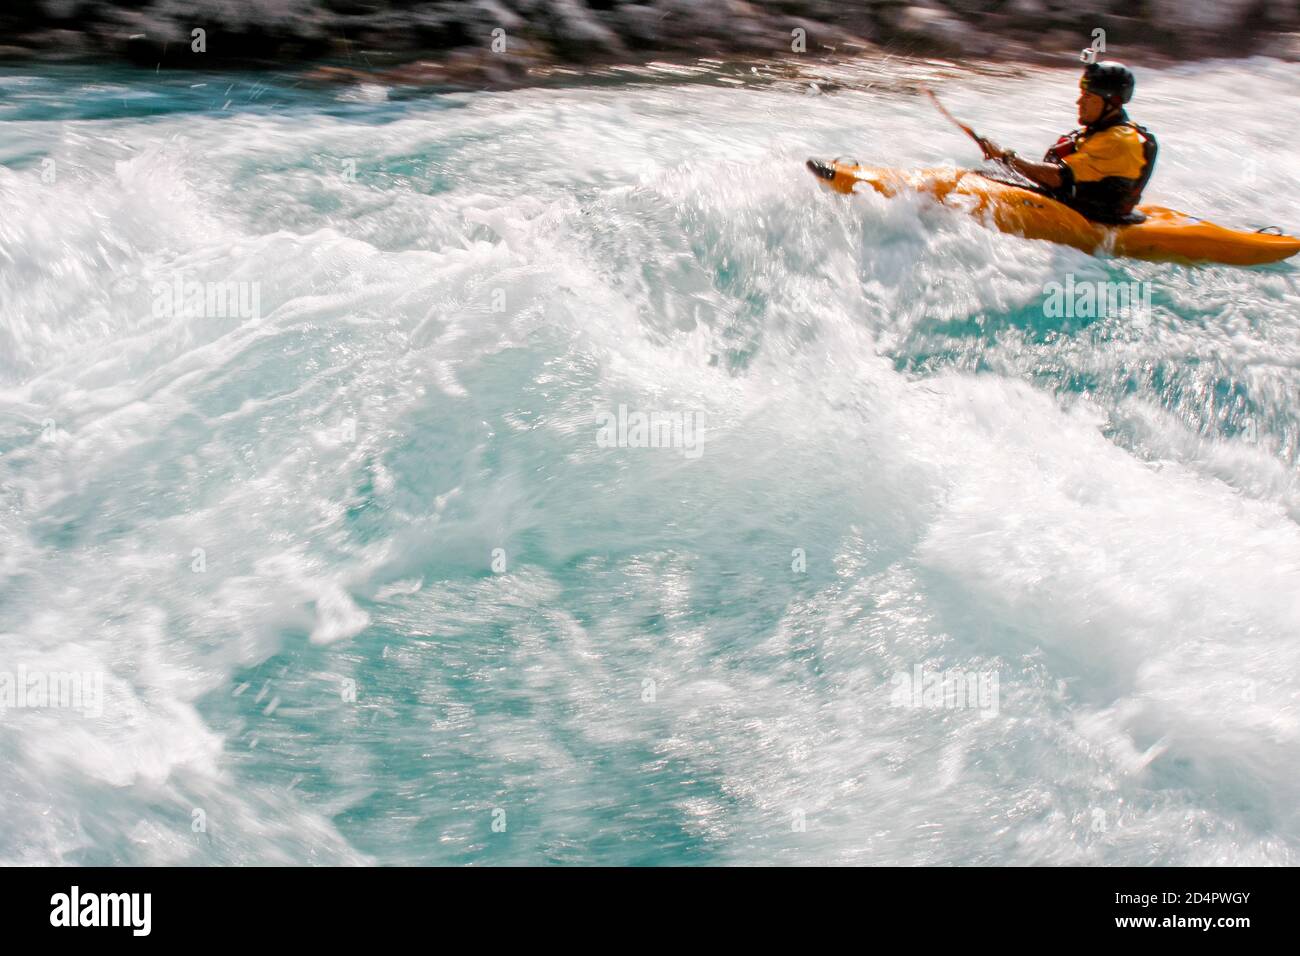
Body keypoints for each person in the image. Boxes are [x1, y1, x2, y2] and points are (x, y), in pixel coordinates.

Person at [976, 61, 1158, 225]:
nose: (1079, 102)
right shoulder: (1097, 132)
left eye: (1088, 97)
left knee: (986, 181)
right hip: (1072, 204)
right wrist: (1001, 158)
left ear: (1113, 102)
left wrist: (1006, 156)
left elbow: (1057, 178)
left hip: (1094, 219)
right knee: (984, 175)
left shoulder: (1118, 140)